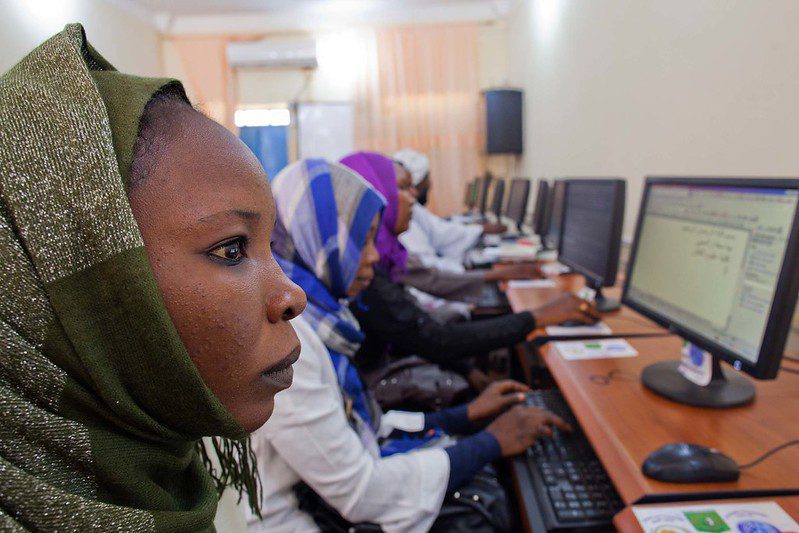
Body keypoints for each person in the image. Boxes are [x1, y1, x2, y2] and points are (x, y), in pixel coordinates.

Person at [0, 25, 305, 530]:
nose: (291, 296)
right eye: (231, 249)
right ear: (89, 293)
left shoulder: (170, 484)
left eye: (268, 245)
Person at [248, 158, 570, 532]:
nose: (373, 256)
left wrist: (463, 418)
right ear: (318, 238)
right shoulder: (289, 340)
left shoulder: (326, 316)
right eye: (361, 239)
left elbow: (361, 430)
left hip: (324, 497)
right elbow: (361, 490)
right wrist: (492, 442)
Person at [340, 152, 598, 391]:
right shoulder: (367, 279)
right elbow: (433, 336)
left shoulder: (385, 258)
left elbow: (414, 328)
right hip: (380, 390)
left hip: (401, 359)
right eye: (402, 188)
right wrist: (538, 316)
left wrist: (468, 369)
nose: (413, 197)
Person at [342, 152, 539, 303]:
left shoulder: (390, 247)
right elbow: (430, 278)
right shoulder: (377, 258)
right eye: (403, 187)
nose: (414, 196)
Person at [393, 149, 505, 271]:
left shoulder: (412, 210)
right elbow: (429, 269)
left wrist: (479, 230)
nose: (430, 183)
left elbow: (439, 232)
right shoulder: (401, 218)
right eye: (405, 187)